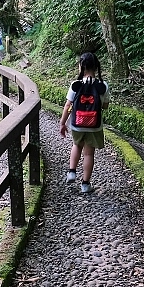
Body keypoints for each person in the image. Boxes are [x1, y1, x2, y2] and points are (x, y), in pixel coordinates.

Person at [58, 52, 110, 195]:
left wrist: (63, 123)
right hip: (95, 125)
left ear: (81, 67)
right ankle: (85, 184)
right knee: (89, 154)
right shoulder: (103, 86)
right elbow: (105, 106)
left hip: (77, 123)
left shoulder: (76, 85)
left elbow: (68, 106)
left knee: (76, 145)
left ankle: (72, 172)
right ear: (96, 67)